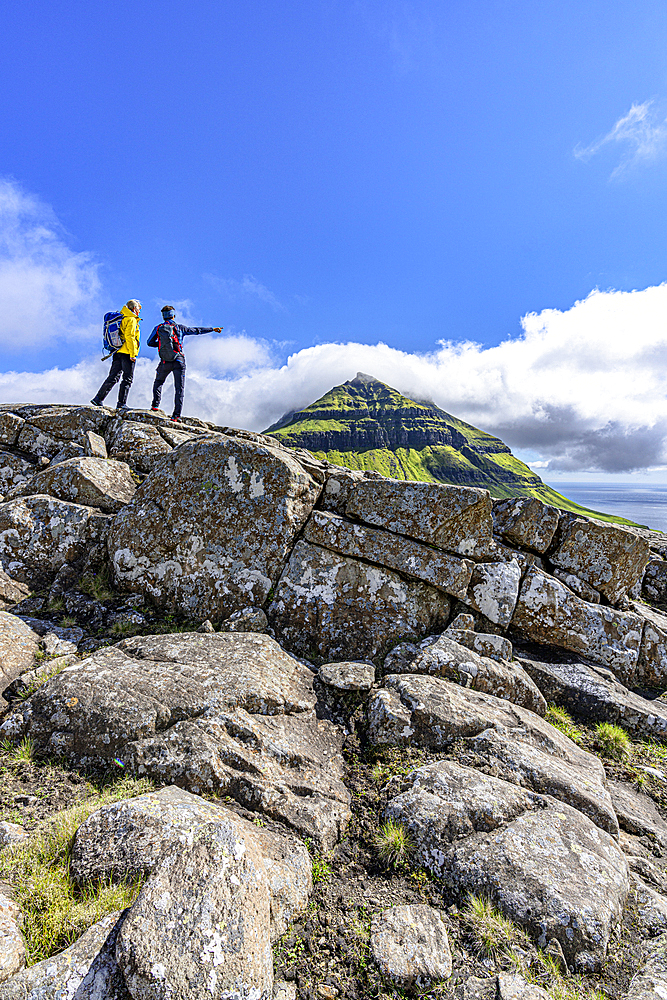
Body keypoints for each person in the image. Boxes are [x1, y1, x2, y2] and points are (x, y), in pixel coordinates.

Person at [148, 305, 222, 421]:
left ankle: (155, 405)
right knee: (179, 388)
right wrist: (212, 329)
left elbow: (149, 342)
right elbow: (196, 331)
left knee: (158, 382)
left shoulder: (158, 328)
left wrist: (161, 344)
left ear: (163, 316)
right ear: (174, 315)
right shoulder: (180, 328)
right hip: (179, 360)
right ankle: (176, 416)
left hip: (165, 361)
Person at [91, 299, 142, 411]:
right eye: (138, 308)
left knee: (113, 376)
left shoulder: (121, 316)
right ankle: (121, 403)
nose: (139, 311)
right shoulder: (131, 319)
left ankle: (98, 398)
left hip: (117, 351)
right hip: (127, 353)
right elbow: (130, 337)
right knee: (127, 379)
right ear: (134, 308)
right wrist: (133, 354)